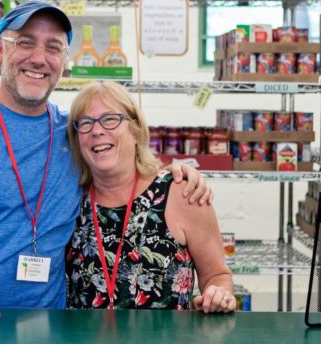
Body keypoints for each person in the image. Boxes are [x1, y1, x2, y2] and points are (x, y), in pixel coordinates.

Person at [0, 0, 214, 327]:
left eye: (53, 47)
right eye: (25, 42)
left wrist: (177, 174)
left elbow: (124, 167)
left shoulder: (74, 132)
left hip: (45, 327)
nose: (39, 58)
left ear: (64, 61)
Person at [65, 81, 235, 312]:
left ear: (135, 130)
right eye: (85, 123)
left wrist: (218, 295)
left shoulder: (183, 194)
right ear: (77, 140)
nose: (96, 130)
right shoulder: (68, 201)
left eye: (110, 119)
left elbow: (216, 274)